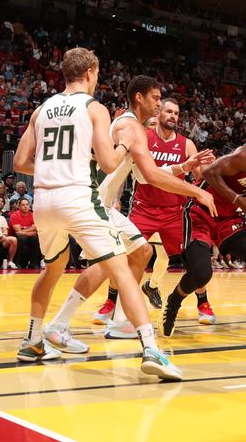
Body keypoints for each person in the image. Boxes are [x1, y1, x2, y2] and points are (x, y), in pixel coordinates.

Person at [12, 47, 181, 381]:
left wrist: (54, 170)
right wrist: (125, 143)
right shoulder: (94, 108)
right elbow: (108, 163)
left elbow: (19, 163)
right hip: (77, 197)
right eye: (98, 73)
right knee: (121, 268)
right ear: (89, 72)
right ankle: (151, 349)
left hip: (44, 201)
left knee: (52, 270)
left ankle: (32, 340)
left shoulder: (41, 109)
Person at [46, 76, 215, 343]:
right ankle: (59, 324)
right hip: (90, 202)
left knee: (141, 252)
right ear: (140, 97)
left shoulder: (131, 125)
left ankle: (117, 321)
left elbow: (146, 175)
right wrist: (198, 191)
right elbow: (153, 176)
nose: (160, 104)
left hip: (95, 202)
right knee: (107, 264)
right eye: (157, 98)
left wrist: (184, 167)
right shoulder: (131, 126)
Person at [159, 123, 246, 345]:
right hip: (200, 210)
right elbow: (208, 172)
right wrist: (238, 200)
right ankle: (174, 302)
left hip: (227, 217)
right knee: (201, 273)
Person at [92, 97, 217, 327]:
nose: (173, 116)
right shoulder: (142, 136)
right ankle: (111, 302)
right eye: (168, 111)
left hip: (175, 211)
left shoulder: (186, 144)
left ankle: (203, 302)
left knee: (194, 257)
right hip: (144, 208)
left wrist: (211, 166)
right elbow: (122, 172)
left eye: (177, 113)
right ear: (158, 114)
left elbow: (200, 174)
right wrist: (116, 200)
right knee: (124, 255)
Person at [10, 197, 42, 269]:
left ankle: (34, 263)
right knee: (22, 238)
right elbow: (17, 232)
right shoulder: (15, 215)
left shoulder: (33, 215)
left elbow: (36, 231)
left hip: (29, 236)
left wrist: (23, 231)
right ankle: (16, 262)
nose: (25, 206)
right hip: (16, 237)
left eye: (27, 204)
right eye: (23, 205)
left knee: (35, 238)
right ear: (19, 207)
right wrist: (31, 229)